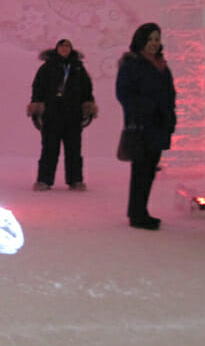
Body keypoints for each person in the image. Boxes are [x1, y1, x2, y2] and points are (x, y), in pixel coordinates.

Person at [115, 23, 177, 230]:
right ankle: (137, 213)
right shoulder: (132, 64)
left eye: (157, 39)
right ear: (141, 41)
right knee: (141, 170)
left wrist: (170, 117)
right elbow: (124, 94)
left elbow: (169, 95)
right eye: (150, 39)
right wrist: (148, 109)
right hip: (142, 125)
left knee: (150, 169)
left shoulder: (161, 65)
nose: (154, 43)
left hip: (159, 125)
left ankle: (141, 210)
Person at [27, 39, 98, 191]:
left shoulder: (78, 68)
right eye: (62, 46)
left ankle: (75, 180)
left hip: (73, 115)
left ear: (71, 49)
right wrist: (37, 106)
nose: (64, 49)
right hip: (52, 115)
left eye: (67, 46)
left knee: (74, 149)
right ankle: (44, 180)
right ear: (57, 48)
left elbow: (87, 89)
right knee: (49, 149)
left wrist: (88, 105)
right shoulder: (47, 67)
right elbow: (38, 88)